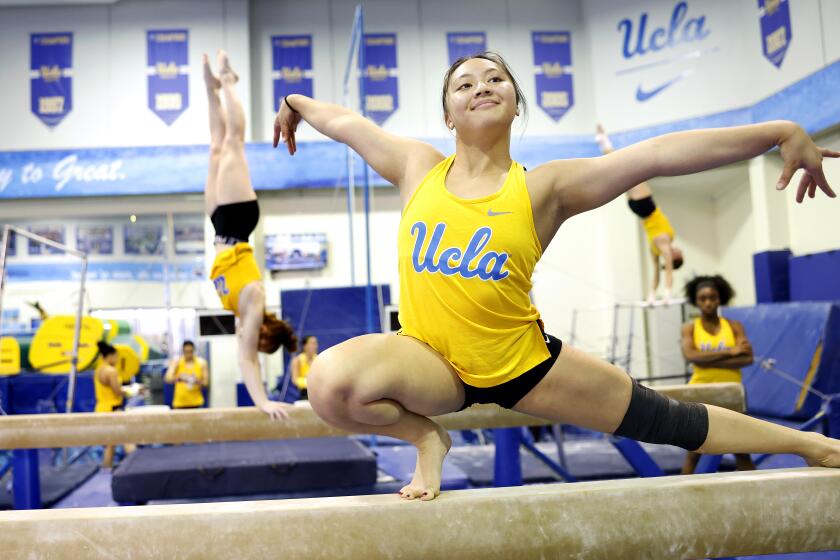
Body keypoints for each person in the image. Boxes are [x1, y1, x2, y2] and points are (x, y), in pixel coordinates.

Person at [272, 51, 840, 501]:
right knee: (329, 383)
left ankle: (812, 444)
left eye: (495, 79)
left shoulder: (544, 188)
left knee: (670, 420)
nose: (481, 87)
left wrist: (779, 131)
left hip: (526, 365)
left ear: (517, 103)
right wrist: (295, 101)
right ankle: (427, 436)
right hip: (431, 361)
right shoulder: (416, 168)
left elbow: (658, 155)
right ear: (448, 114)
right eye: (464, 84)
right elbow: (347, 123)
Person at [203, 50, 297, 420]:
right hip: (238, 219)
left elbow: (245, 351)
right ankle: (228, 81)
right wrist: (262, 402)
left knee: (215, 147)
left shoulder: (242, 314)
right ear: (264, 334)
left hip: (219, 226)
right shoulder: (255, 302)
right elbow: (247, 360)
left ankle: (211, 90)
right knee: (233, 142)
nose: (251, 343)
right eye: (260, 344)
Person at [596, 125, 683, 301]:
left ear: (674, 258)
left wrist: (667, 292)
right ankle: (604, 143)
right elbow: (656, 274)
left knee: (627, 167)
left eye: (679, 254)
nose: (679, 251)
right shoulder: (655, 250)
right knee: (621, 172)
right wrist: (651, 295)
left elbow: (666, 273)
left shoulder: (664, 244)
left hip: (646, 206)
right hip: (638, 208)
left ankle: (604, 142)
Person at [681, 275, 757, 473]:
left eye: (712, 298)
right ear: (695, 301)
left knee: (742, 449)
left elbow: (747, 359)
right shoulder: (690, 328)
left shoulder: (734, 326)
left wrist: (705, 359)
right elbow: (690, 356)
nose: (708, 303)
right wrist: (730, 352)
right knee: (694, 450)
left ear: (720, 298)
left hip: (731, 394)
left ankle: (757, 494)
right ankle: (680, 495)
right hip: (700, 393)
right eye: (703, 298)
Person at [94, 341, 131, 468]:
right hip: (112, 409)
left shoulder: (99, 369)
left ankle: (106, 472)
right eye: (116, 356)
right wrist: (131, 391)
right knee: (128, 439)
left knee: (110, 444)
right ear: (111, 356)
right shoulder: (111, 371)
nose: (117, 359)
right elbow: (117, 391)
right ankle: (139, 468)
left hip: (101, 408)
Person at [164, 340, 209, 409]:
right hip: (180, 403)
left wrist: (196, 381)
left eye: (190, 351)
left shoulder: (201, 363)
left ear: (194, 351)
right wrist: (179, 378)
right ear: (183, 351)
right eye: (186, 352)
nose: (188, 354)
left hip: (196, 403)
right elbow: (167, 378)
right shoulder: (177, 362)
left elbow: (206, 383)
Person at [290, 335, 318, 400]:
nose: (315, 346)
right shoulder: (297, 360)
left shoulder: (318, 359)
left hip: (318, 392)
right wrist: (308, 382)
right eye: (312, 343)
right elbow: (295, 380)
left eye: (316, 343)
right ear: (305, 346)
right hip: (304, 393)